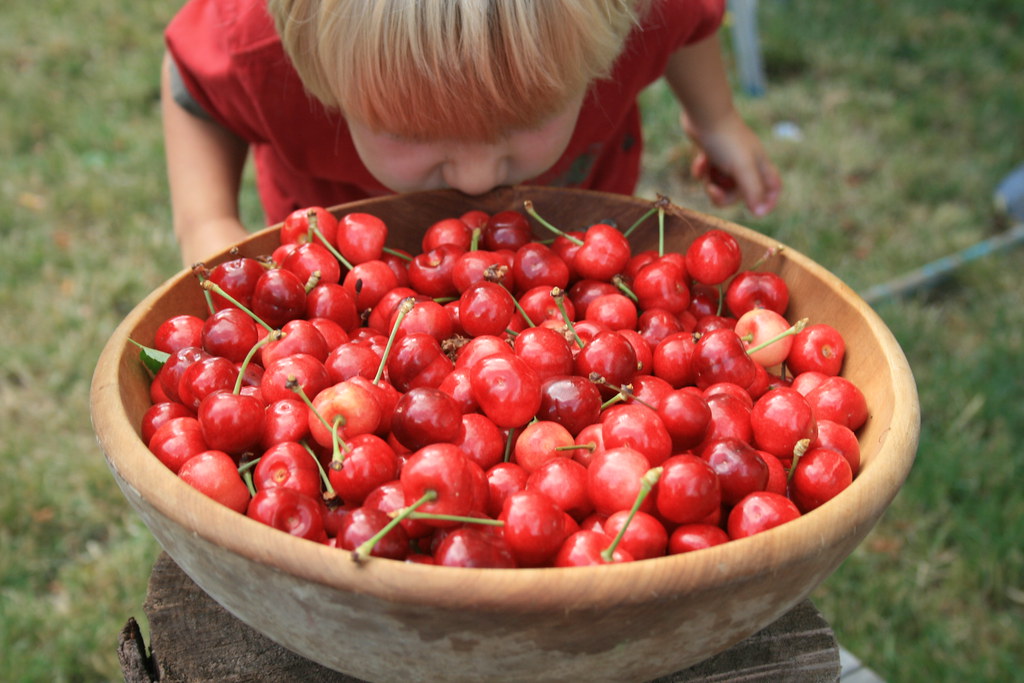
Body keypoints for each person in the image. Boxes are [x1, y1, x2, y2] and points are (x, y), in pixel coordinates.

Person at [162, 0, 781, 266]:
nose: (479, 177)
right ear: (316, 73)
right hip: (343, 266)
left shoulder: (616, 17)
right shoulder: (261, 45)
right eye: (409, 131)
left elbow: (685, 19)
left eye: (527, 120)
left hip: (569, 239)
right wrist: (205, 221)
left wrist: (714, 117)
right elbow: (194, 90)